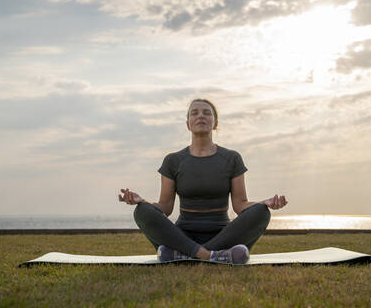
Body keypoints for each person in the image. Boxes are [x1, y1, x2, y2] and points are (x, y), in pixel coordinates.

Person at [118, 98, 288, 264]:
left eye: (207, 113)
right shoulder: (173, 160)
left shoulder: (231, 158)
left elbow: (240, 205)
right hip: (182, 236)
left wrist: (263, 203)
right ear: (188, 124)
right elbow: (165, 207)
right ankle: (213, 255)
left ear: (215, 123)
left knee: (262, 212)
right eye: (195, 113)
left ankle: (184, 255)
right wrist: (142, 201)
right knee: (142, 211)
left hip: (223, 235)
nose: (201, 116)